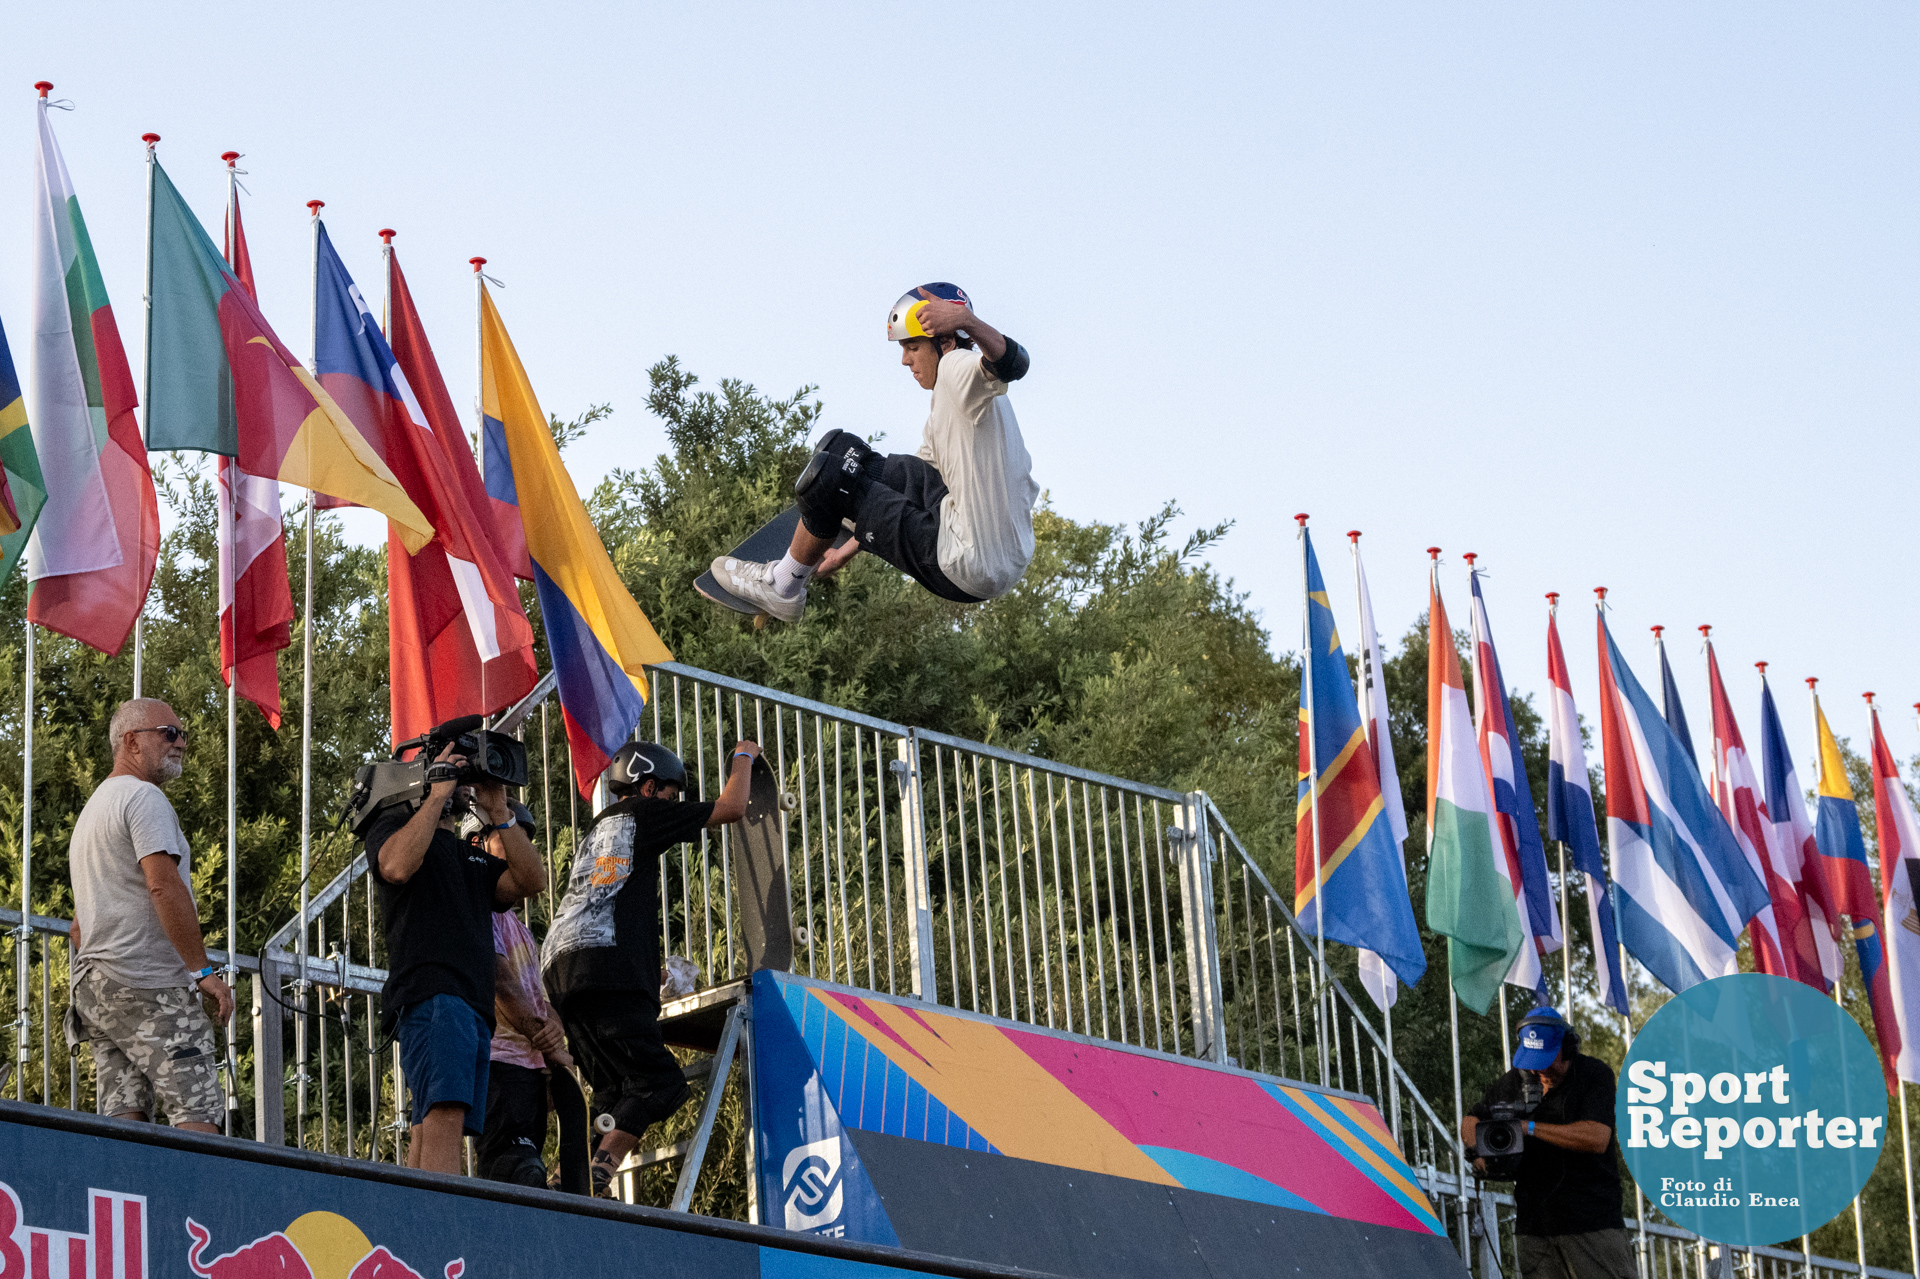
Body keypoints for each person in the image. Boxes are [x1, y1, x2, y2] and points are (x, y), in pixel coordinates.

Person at [710, 282, 1036, 621]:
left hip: (964, 563)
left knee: (830, 472)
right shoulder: (955, 409)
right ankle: (842, 507)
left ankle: (783, 586)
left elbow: (1013, 364)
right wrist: (848, 550)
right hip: (1002, 555)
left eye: (912, 347)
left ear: (946, 341)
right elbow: (909, 489)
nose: (905, 360)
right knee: (846, 454)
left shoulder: (957, 367)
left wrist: (967, 320)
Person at [542, 738, 760, 1198]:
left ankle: (567, 1180)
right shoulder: (643, 813)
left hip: (562, 971)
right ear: (647, 786)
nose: (674, 803)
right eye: (671, 793)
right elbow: (732, 807)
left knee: (611, 1093)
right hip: (606, 968)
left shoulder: (597, 833)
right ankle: (599, 1173)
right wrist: (744, 756)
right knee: (659, 1083)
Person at [366, 728, 547, 1175]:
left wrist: (499, 811)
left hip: (471, 1002)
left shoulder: (469, 855)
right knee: (443, 1110)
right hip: (433, 992)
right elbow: (395, 865)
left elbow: (530, 882)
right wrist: (436, 792)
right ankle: (440, 1217)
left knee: (434, 1119)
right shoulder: (392, 826)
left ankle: (418, 1214)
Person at [66, 698, 234, 1132]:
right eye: (169, 733)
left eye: (183, 735)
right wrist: (202, 972)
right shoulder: (144, 798)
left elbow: (78, 928)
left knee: (125, 1114)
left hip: (95, 982)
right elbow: (163, 884)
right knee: (197, 1111)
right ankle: (202, 1201)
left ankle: (126, 1199)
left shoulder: (93, 810)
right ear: (131, 742)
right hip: (146, 981)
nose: (181, 743)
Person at [1461, 1008, 1636, 1279]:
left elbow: (1597, 1138)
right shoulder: (1515, 1081)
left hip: (1591, 1225)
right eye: (1532, 1061)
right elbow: (1471, 1120)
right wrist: (1477, 1152)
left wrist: (1528, 1128)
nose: (1538, 1069)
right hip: (1534, 1228)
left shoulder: (1594, 1075)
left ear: (1567, 1048)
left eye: (1546, 1060)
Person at [468, 802, 570, 1187]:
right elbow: (500, 982)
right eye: (509, 838)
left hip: (530, 1065)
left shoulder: (518, 926)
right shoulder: (480, 910)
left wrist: (553, 1033)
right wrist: (540, 1034)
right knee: (512, 1165)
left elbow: (537, 996)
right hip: (500, 1060)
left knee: (530, 1167)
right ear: (477, 844)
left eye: (526, 839)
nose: (521, 847)